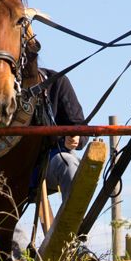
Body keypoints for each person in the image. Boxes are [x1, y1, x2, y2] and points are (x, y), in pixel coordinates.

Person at [36, 68, 86, 196]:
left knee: (69, 165)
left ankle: (74, 210)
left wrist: (76, 137)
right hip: (11, 166)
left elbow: (79, 126)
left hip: (49, 161)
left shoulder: (57, 81)